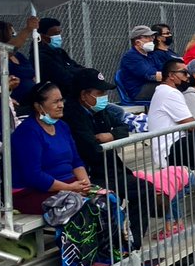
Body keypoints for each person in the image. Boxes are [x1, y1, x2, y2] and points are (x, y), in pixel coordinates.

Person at [62, 67, 156, 243]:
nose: (104, 96)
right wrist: (107, 137)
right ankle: (113, 247)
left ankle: (134, 242)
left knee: (145, 189)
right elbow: (91, 148)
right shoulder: (72, 114)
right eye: (100, 92)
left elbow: (123, 127)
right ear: (84, 95)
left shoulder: (100, 111)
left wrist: (110, 136)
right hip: (91, 174)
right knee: (107, 200)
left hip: (112, 169)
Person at [9, 82, 92, 215]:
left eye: (61, 100)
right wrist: (69, 188)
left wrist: (85, 184)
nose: (61, 105)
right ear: (38, 106)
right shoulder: (28, 132)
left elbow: (76, 161)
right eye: (55, 102)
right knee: (82, 208)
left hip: (67, 187)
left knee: (107, 200)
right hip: (32, 192)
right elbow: (34, 176)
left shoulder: (62, 126)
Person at [147, 59, 195, 167]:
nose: (188, 76)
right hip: (169, 150)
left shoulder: (163, 90)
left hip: (174, 145)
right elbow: (191, 125)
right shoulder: (170, 93)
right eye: (184, 73)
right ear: (172, 75)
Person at [0, 19, 38, 110]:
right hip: (17, 101)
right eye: (12, 33)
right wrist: (27, 29)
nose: (15, 35)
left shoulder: (19, 56)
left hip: (33, 97)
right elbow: (9, 49)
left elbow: (31, 72)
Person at [117, 25, 162, 102]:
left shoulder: (151, 54)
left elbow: (163, 68)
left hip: (152, 86)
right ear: (137, 42)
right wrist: (166, 75)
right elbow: (149, 74)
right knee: (172, 88)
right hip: (139, 91)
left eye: (152, 37)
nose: (151, 39)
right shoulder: (130, 56)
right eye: (147, 37)